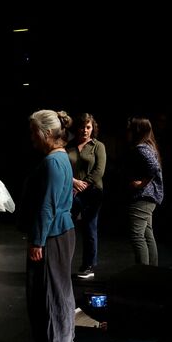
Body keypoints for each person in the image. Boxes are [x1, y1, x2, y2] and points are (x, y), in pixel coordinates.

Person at [22, 110, 76, 342]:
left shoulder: (53, 162)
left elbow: (48, 205)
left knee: (52, 292)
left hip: (53, 234)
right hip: (60, 231)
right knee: (59, 290)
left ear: (46, 133)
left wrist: (38, 241)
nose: (32, 137)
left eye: (34, 132)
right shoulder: (61, 157)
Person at [66, 113, 107, 279]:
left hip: (92, 193)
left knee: (89, 228)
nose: (85, 130)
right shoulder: (69, 146)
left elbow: (99, 170)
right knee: (67, 227)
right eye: (82, 127)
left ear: (92, 128)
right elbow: (63, 167)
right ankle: (63, 263)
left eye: (88, 127)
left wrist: (83, 185)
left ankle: (88, 266)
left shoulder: (98, 146)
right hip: (72, 191)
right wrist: (73, 182)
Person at [125, 117, 164, 266]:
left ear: (137, 131)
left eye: (130, 129)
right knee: (147, 235)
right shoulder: (149, 146)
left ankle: (143, 273)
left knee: (137, 236)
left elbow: (154, 167)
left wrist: (143, 183)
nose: (127, 132)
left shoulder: (141, 148)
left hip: (142, 197)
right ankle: (151, 272)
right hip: (148, 198)